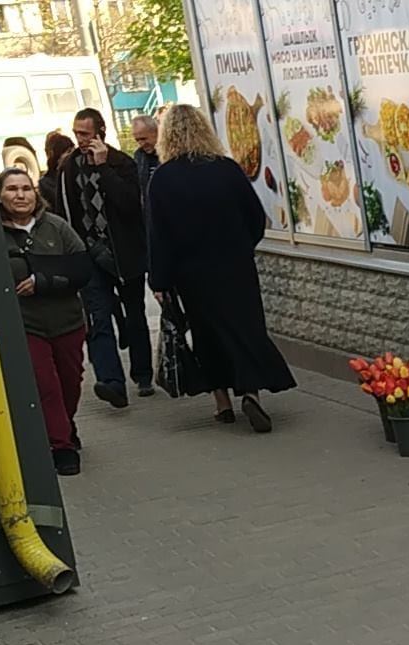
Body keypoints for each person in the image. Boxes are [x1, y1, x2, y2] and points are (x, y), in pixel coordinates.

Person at [146, 104, 296, 432]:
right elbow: (255, 217)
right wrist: (241, 247)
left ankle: (222, 403)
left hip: (193, 274)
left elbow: (159, 235)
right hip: (235, 267)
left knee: (207, 334)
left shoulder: (163, 179)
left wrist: (159, 279)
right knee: (246, 327)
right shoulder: (227, 169)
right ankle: (252, 393)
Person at [52, 107, 152, 404]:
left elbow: (130, 205)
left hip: (123, 253)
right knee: (98, 317)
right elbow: (63, 212)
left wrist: (103, 168)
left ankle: (142, 373)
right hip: (89, 254)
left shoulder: (121, 162)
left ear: (100, 132)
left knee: (134, 315)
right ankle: (111, 381)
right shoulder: (69, 167)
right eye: (77, 133)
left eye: (85, 133)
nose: (80, 139)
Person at [0, 167, 92, 477]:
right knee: (45, 386)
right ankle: (61, 447)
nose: (20, 195)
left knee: (70, 382)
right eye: (12, 189)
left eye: (26, 188)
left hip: (67, 321)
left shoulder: (56, 227)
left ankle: (65, 423)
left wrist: (45, 280)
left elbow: (82, 269)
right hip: (27, 324)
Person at [130, 114, 161, 203]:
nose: (141, 144)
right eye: (137, 140)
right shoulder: (139, 156)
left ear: (156, 132)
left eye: (143, 139)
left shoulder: (170, 153)